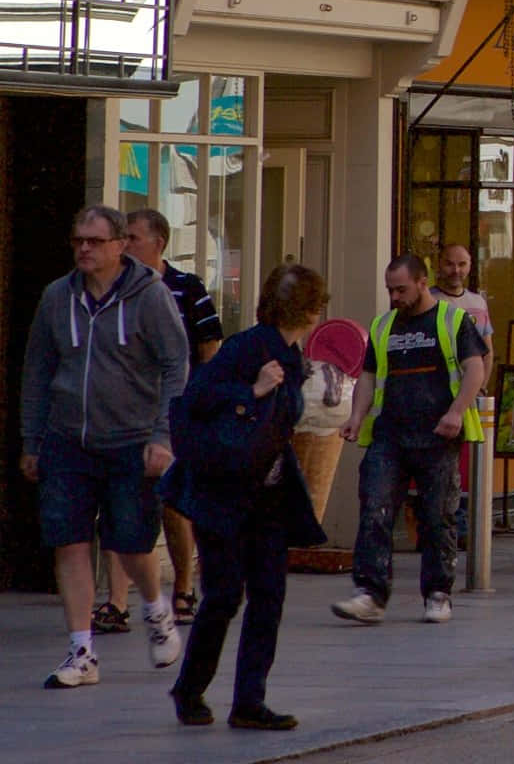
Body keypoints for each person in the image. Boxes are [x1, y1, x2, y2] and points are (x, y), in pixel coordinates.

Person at [20, 205, 191, 689]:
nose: (85, 249)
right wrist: (32, 439)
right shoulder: (57, 298)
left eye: (95, 241)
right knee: (69, 542)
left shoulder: (150, 297)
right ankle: (81, 651)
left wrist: (163, 435)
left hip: (131, 440)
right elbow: (37, 370)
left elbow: (176, 367)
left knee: (130, 543)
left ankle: (157, 611)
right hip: (67, 439)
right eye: (78, 240)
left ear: (120, 245)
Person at [164, 264, 332, 731]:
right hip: (224, 492)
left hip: (265, 494)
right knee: (223, 595)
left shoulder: (289, 354)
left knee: (267, 595)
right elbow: (195, 400)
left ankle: (248, 700)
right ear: (312, 310)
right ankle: (192, 690)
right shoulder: (248, 349)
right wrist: (251, 391)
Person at [333, 254, 486, 628]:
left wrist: (455, 412)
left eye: (401, 289)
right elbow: (369, 375)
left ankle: (437, 593)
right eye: (390, 290)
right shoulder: (384, 326)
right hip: (390, 434)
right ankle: (370, 592)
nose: (395, 297)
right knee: (375, 509)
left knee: (438, 517)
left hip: (437, 436)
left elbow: (475, 369)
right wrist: (356, 416)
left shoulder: (453, 321)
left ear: (422, 282)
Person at [101, 209, 221, 636]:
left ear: (159, 243)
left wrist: (200, 403)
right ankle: (115, 602)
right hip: (121, 413)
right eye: (124, 238)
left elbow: (208, 347)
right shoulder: (111, 289)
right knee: (118, 503)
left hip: (173, 413)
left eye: (133, 238)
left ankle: (184, 590)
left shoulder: (186, 288)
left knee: (174, 502)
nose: (127, 245)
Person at [434, 243, 494, 345]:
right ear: (438, 265)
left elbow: (487, 350)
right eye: (449, 264)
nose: (456, 270)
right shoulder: (427, 301)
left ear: (470, 266)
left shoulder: (478, 302)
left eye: (462, 264)